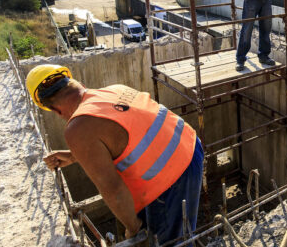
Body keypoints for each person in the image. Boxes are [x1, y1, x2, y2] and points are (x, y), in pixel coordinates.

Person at [26, 64, 203, 244]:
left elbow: (113, 188)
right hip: (189, 144)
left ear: (56, 110)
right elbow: (126, 137)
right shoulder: (114, 90)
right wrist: (74, 156)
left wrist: (133, 227)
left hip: (171, 177)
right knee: (178, 231)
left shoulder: (77, 129)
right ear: (77, 84)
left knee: (172, 242)